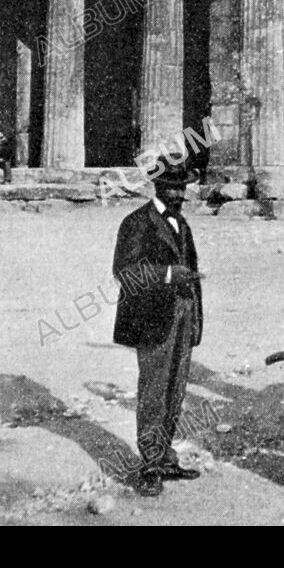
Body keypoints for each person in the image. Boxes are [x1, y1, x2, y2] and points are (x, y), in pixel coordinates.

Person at [112, 153, 204, 497]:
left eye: (182, 188)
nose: (179, 195)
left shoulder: (183, 224)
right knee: (153, 393)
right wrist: (167, 274)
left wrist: (193, 313)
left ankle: (165, 456)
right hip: (152, 318)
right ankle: (149, 464)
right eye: (172, 187)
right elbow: (124, 272)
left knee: (175, 391)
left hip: (182, 313)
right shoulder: (136, 223)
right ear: (157, 185)